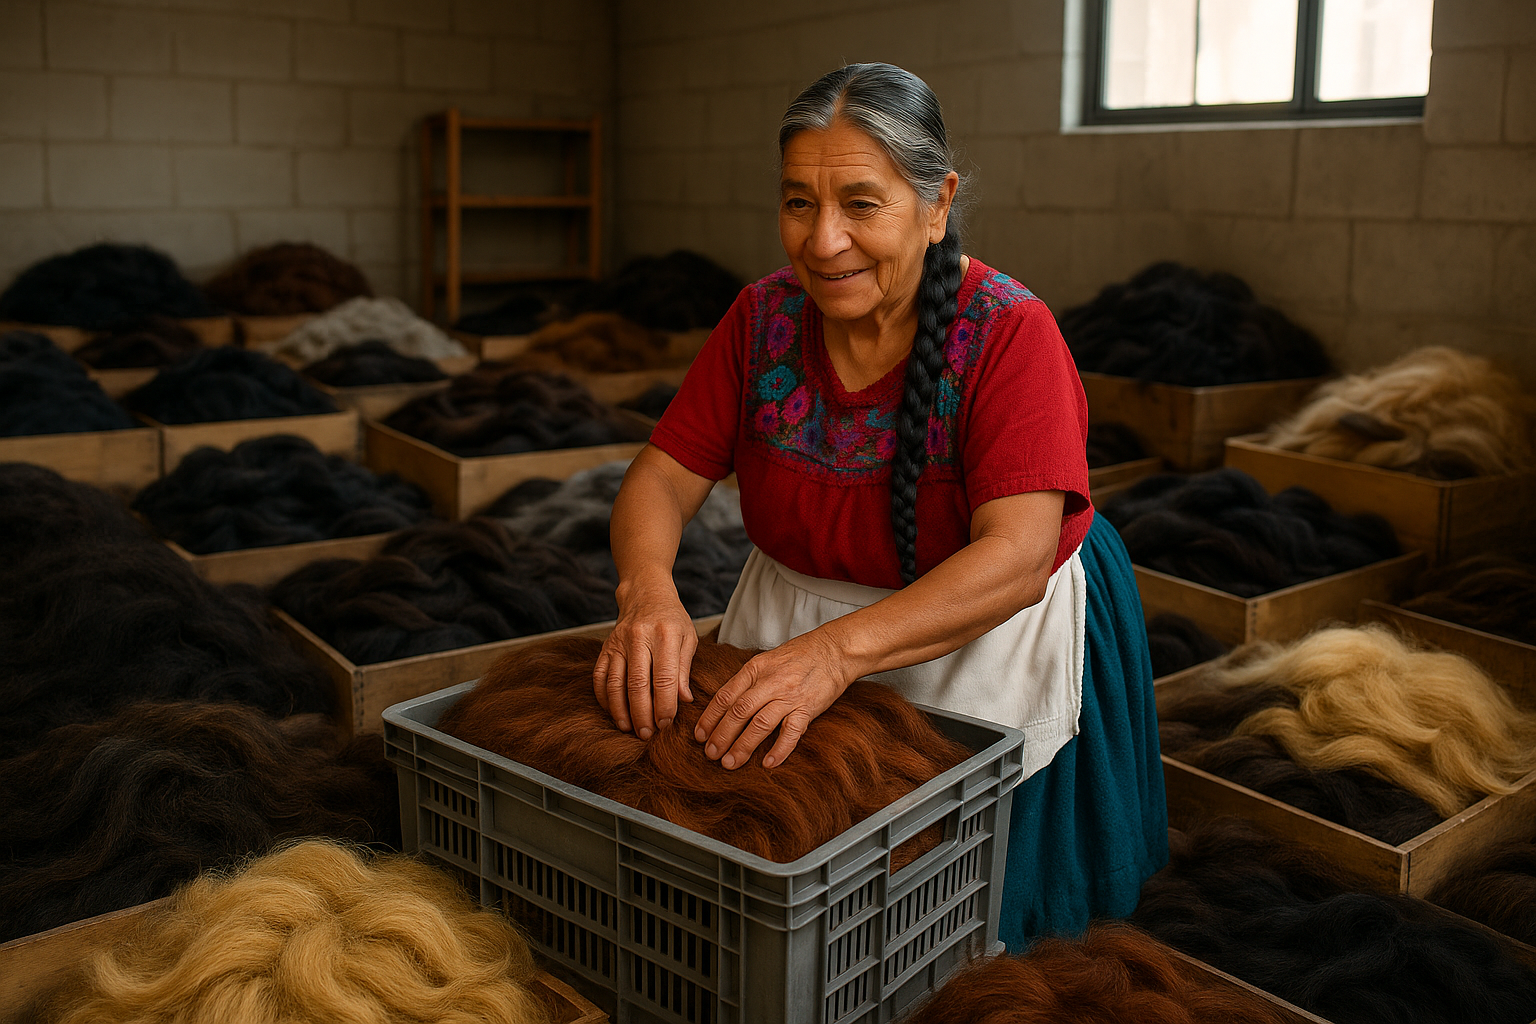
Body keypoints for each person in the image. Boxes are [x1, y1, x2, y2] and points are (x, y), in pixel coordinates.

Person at [593, 62, 1167, 947]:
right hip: (796, 629)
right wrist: (648, 593)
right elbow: (663, 476)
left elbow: (1015, 558)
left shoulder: (1010, 334)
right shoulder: (761, 321)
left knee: (970, 931)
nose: (823, 243)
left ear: (936, 204)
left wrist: (834, 656)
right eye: (797, 204)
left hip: (983, 634)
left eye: (862, 205)